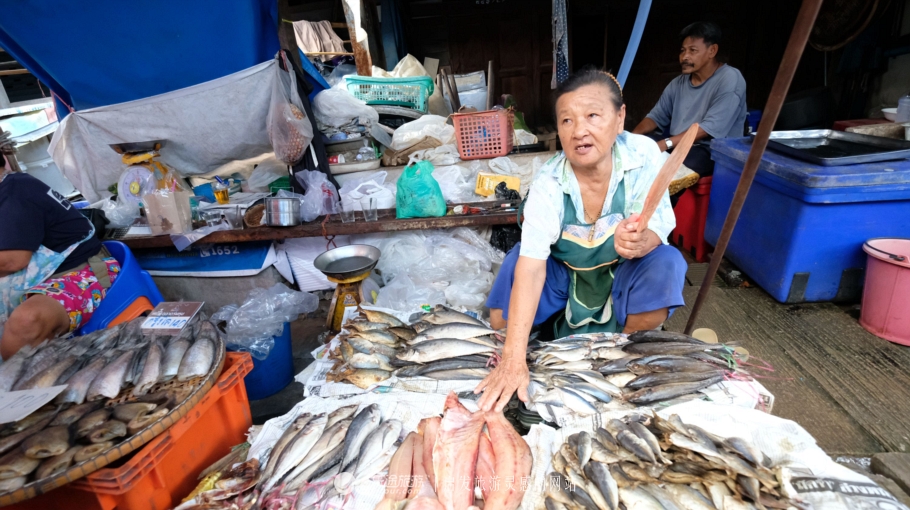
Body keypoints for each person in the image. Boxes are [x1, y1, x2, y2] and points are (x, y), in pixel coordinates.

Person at [476, 68, 687, 412]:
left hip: (621, 275)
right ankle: (540, 346)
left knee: (667, 263)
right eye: (567, 121)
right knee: (504, 307)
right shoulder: (549, 183)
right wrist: (513, 359)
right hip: (566, 277)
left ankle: (621, 352)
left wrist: (643, 240)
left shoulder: (643, 156)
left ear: (619, 118)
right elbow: (531, 267)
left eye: (592, 116)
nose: (579, 131)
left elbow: (659, 224)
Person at [0, 159, 121, 359]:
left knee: (27, 321)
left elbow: (13, 260)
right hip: (35, 281)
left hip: (85, 274)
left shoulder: (14, 190)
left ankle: (14, 387)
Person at [632, 21, 747, 187]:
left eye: (693, 50)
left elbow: (708, 128)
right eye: (683, 51)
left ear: (712, 51)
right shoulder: (677, 83)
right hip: (677, 144)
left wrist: (665, 144)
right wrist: (632, 139)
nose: (685, 57)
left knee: (673, 170)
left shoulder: (730, 79)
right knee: (643, 146)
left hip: (710, 150)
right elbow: (656, 117)